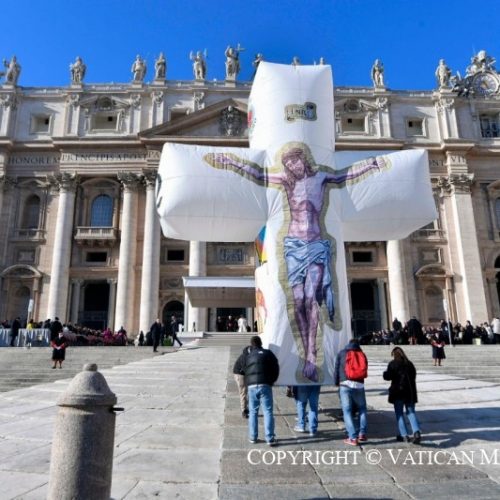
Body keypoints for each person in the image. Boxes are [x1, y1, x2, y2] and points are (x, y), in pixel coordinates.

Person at [205, 144, 390, 381]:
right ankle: (305, 349)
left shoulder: (321, 177)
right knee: (299, 299)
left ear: (303, 159)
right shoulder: (285, 180)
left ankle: (311, 352)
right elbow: (258, 174)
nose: (292, 166)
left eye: (294, 161)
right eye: (288, 163)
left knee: (311, 299)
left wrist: (370, 165)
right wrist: (230, 161)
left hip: (315, 245)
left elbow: (345, 175)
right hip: (293, 246)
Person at [245, 335, 280, 445]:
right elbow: (276, 367)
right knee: (268, 411)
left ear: (251, 345)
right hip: (265, 384)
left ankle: (253, 437)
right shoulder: (268, 353)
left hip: (251, 386)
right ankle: (270, 438)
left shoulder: (248, 356)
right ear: (261, 343)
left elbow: (244, 370)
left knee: (253, 412)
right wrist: (272, 380)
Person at [383, 347, 421, 444]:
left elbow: (388, 376)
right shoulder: (409, 364)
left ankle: (404, 435)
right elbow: (413, 376)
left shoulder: (393, 364)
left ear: (394, 355)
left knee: (399, 414)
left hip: (398, 392)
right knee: (411, 412)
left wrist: (385, 373)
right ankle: (416, 432)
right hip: (410, 392)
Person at [334, 338, 368, 445]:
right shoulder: (362, 353)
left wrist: (336, 382)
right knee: (362, 409)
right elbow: (365, 369)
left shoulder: (342, 353)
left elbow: (336, 369)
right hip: (359, 384)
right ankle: (362, 434)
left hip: (345, 384)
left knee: (347, 411)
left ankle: (352, 437)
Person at [233, 345, 252, 418]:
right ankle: (244, 411)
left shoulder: (249, 353)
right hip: (240, 374)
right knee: (243, 392)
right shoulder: (245, 357)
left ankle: (246, 408)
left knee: (246, 391)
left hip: (244, 373)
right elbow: (246, 369)